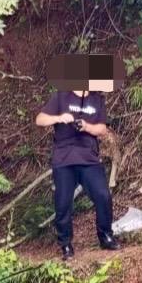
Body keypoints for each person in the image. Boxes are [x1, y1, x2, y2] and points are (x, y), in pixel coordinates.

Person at [35, 86, 118, 259]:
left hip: (88, 158)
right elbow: (40, 120)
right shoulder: (61, 96)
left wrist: (86, 126)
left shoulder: (97, 100)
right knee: (63, 202)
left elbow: (102, 129)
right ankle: (65, 245)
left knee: (103, 195)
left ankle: (105, 236)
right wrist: (59, 118)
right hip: (64, 159)